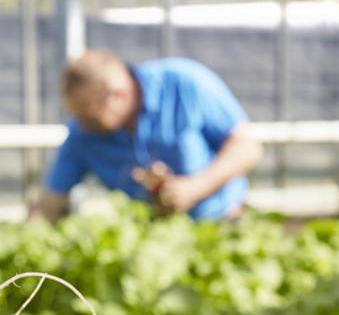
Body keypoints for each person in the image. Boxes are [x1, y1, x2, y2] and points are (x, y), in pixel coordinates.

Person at [30, 49, 264, 223]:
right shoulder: (84, 132)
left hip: (222, 221)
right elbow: (51, 200)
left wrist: (196, 187)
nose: (84, 125)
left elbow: (247, 147)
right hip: (149, 243)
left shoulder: (183, 83)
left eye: (91, 115)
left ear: (119, 94)